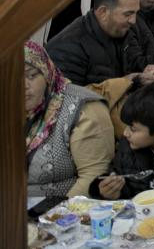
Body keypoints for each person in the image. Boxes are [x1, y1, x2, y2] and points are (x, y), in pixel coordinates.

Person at [24, 41, 114, 198]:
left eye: (31, 75)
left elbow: (93, 176)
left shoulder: (84, 109)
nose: (22, 85)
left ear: (47, 73)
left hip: (61, 212)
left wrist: (56, 217)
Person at [47, 0, 154, 86]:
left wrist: (147, 70)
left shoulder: (119, 30)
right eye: (128, 14)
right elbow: (71, 102)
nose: (133, 21)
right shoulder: (68, 48)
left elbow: (132, 66)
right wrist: (125, 83)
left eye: (136, 13)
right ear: (103, 12)